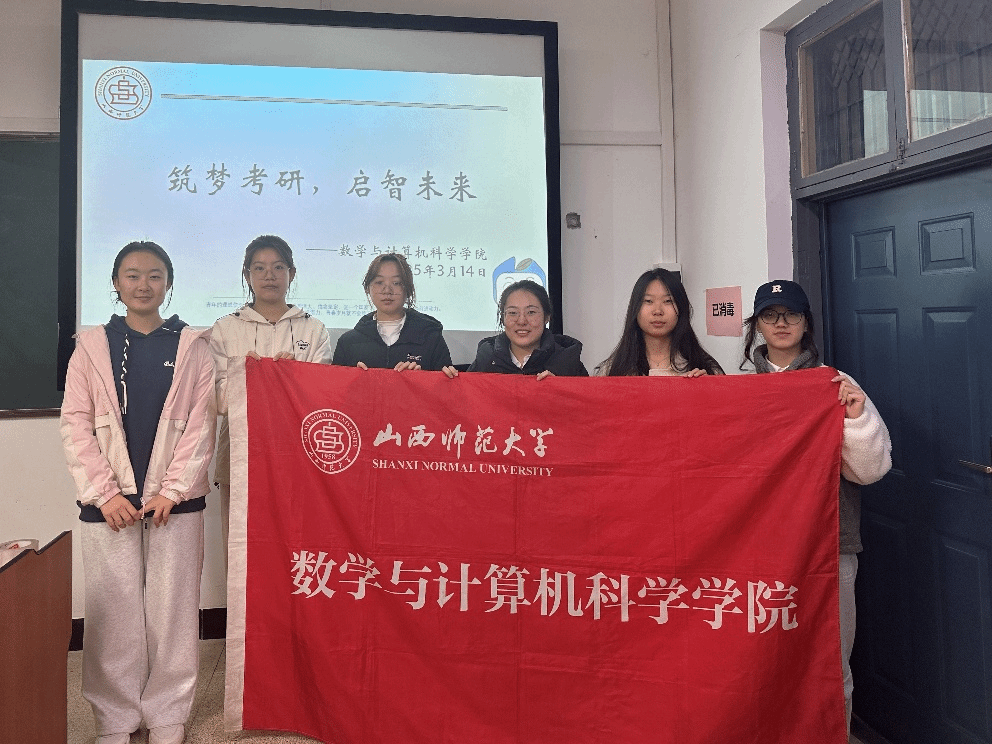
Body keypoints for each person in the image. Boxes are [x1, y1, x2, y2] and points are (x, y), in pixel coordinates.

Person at [60, 241, 216, 744]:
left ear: (168, 283)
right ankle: (115, 717)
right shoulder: (91, 346)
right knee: (112, 613)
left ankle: (168, 713)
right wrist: (104, 494)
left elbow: (201, 425)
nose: (143, 285)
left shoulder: (193, 345)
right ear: (116, 283)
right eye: (132, 275)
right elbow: (75, 423)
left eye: (154, 275)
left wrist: (173, 490)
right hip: (109, 504)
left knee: (173, 612)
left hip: (176, 503)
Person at [741, 279, 892, 734]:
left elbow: (870, 470)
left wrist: (856, 418)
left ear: (806, 323)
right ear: (758, 325)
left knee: (829, 659)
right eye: (770, 315)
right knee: (761, 658)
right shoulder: (739, 389)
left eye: (792, 314)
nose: (781, 323)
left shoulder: (835, 384)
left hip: (830, 544)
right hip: (759, 547)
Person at [209, 235, 331, 563]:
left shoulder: (313, 329)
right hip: (240, 452)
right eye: (259, 268)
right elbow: (216, 399)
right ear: (247, 274)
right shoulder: (225, 328)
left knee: (295, 549)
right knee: (242, 551)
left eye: (278, 267)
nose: (269, 276)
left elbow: (322, 396)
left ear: (292, 273)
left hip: (298, 452)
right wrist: (246, 376)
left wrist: (291, 377)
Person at [332, 252, 454, 373]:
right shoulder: (348, 342)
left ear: (408, 289)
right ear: (368, 288)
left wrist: (420, 378)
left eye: (396, 283)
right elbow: (335, 384)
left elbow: (445, 383)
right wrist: (354, 378)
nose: (387, 290)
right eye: (379, 282)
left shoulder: (431, 337)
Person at [597, 268, 723, 376]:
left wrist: (707, 387)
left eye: (668, 301)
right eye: (648, 301)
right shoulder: (612, 370)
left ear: (681, 307)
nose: (658, 311)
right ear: (635, 308)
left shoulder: (704, 367)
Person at [467, 279, 588, 377]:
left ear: (547, 317)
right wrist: (455, 382)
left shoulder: (567, 363)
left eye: (531, 312)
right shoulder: (485, 360)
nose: (521, 321)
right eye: (513, 313)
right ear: (503, 318)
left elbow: (585, 399)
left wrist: (560, 389)